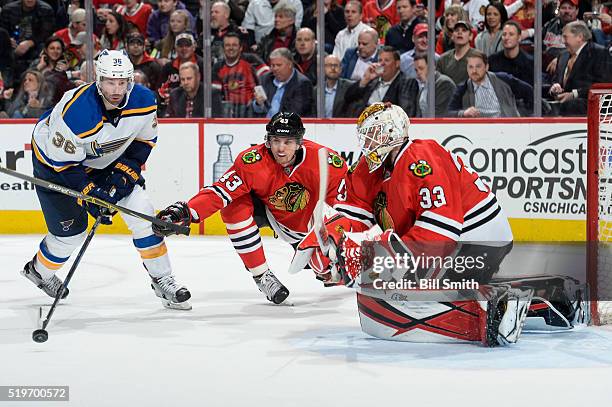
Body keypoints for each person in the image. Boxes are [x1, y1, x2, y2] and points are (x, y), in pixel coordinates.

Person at [295, 102, 533, 346]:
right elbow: (353, 217)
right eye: (365, 136)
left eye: (375, 133)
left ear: (393, 132)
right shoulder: (369, 168)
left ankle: (497, 309)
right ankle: (548, 303)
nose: (368, 142)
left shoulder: (423, 157)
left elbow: (442, 230)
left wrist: (378, 255)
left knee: (398, 291)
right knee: (377, 294)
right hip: (447, 241)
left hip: (477, 237)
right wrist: (333, 242)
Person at [21, 49, 191, 310]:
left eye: (122, 82)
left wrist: (122, 176)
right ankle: (38, 272)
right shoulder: (76, 112)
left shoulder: (144, 101)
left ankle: (162, 279)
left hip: (105, 161)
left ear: (130, 82)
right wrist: (90, 193)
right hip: (55, 165)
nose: (116, 89)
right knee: (71, 236)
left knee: (143, 214)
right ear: (98, 81)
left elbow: (143, 142)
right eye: (110, 82)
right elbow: (65, 165)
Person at [153, 112, 348, 304]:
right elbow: (221, 192)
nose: (280, 148)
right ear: (268, 140)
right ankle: (262, 276)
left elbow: (347, 207)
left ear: (299, 143)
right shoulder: (253, 161)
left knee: (328, 269)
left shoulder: (324, 161)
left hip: (308, 226)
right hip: (270, 213)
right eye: (276, 140)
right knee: (233, 206)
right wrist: (186, 212)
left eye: (287, 142)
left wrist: (336, 237)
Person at [448, 50, 522, 118]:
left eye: (478, 66)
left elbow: (529, 92)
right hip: (478, 129)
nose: (474, 71)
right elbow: (448, 113)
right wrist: (463, 113)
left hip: (505, 127)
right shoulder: (462, 88)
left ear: (486, 67)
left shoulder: (503, 79)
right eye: (470, 67)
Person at [212, 31, 269, 118]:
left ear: (240, 48)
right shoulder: (217, 67)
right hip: (229, 116)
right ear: (223, 48)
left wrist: (260, 99)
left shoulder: (252, 60)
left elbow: (269, 78)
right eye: (227, 45)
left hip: (254, 113)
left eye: (234, 45)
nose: (231, 48)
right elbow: (216, 96)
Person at [252, 47, 313, 117]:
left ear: (290, 64)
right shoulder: (265, 78)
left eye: (279, 65)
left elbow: (294, 114)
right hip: (262, 125)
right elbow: (255, 110)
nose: (275, 69)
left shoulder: (302, 84)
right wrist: (258, 104)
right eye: (272, 65)